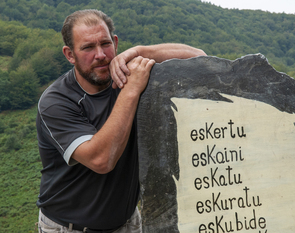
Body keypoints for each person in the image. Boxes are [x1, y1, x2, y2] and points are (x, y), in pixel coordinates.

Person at [36, 9, 206, 233]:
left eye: (105, 44)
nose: (100, 55)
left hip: (128, 223)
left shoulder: (125, 73)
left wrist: (138, 52)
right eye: (87, 47)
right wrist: (132, 90)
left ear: (115, 43)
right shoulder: (57, 102)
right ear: (70, 54)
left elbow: (200, 58)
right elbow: (102, 160)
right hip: (69, 228)